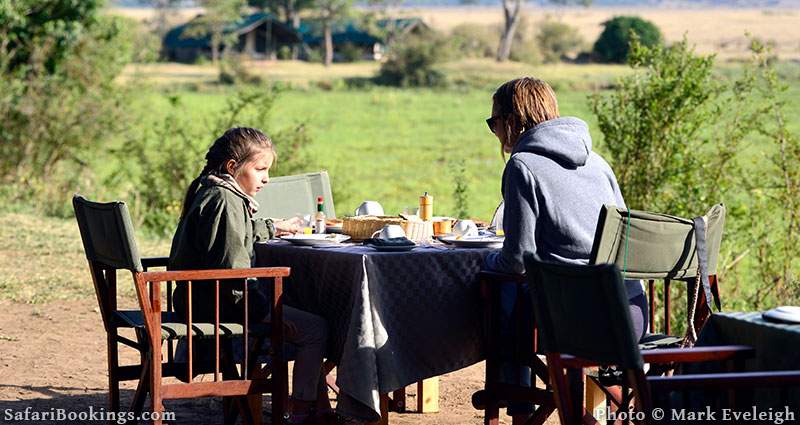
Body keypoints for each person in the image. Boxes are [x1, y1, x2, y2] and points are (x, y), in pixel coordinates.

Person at [483, 78, 649, 423]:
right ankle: (582, 406)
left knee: (500, 288)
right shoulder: (599, 162)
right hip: (629, 314)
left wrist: (486, 260)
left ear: (512, 120)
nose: (494, 132)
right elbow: (623, 238)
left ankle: (517, 403)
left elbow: (517, 259)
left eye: (493, 122)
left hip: (572, 320)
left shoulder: (522, 166)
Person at [169, 127, 330, 425]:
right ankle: (303, 412)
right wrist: (264, 310)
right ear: (233, 167)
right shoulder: (225, 201)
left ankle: (318, 409)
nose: (266, 178)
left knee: (302, 315)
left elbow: (234, 235)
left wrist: (273, 227)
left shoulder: (213, 189)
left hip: (201, 298)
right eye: (260, 169)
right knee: (315, 328)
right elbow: (233, 272)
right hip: (218, 306)